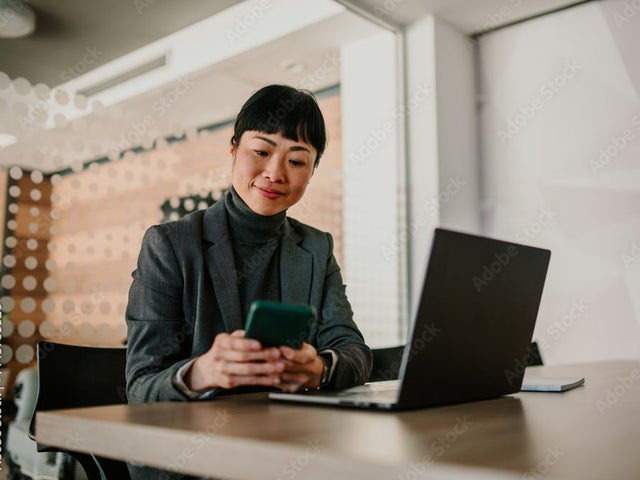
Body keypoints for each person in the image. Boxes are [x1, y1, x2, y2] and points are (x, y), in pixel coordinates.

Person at [125, 83, 372, 405]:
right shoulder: (170, 244)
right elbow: (141, 387)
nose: (275, 173)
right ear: (233, 150)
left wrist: (320, 369)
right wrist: (201, 373)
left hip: (290, 435)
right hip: (195, 443)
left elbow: (354, 352)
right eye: (261, 152)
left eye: (296, 162)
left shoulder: (316, 248)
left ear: (312, 172)